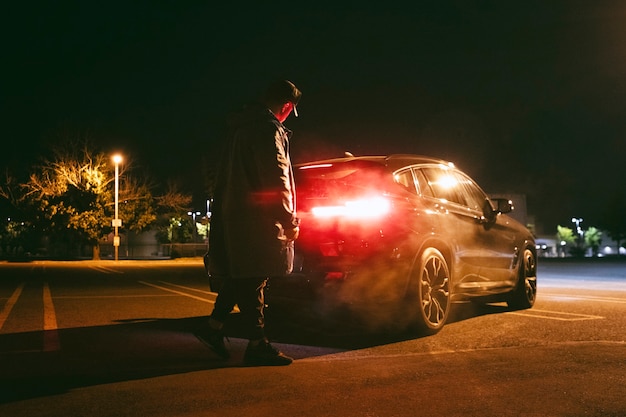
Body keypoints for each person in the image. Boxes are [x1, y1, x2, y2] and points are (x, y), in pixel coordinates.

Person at [198, 79, 302, 366]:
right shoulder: (268, 129)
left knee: (242, 273)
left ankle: (214, 327)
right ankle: (257, 343)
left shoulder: (240, 127)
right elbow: (276, 176)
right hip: (258, 218)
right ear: (286, 106)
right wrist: (288, 217)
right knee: (256, 276)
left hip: (235, 214)